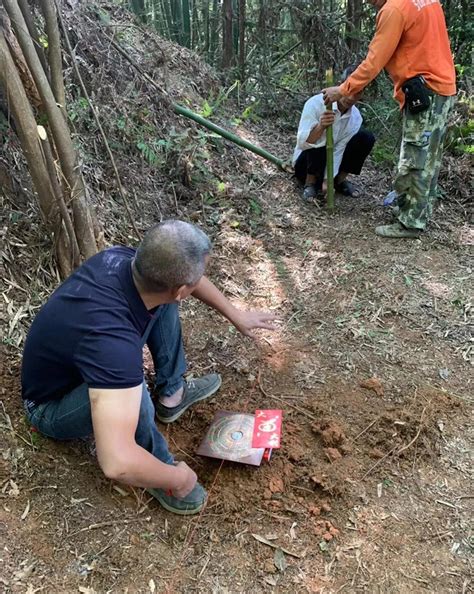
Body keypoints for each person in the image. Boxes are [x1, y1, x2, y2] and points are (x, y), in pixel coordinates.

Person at [21, 220, 277, 515]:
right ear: (182, 288)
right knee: (135, 391)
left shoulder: (124, 261)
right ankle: (159, 472)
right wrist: (179, 477)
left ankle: (173, 394)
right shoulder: (114, 346)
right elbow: (116, 462)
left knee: (162, 303)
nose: (198, 282)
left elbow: (185, 283)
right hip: (49, 406)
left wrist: (237, 315)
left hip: (81, 361)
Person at [323, 0, 456, 238]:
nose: (370, 3)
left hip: (425, 89)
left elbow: (374, 61)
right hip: (441, 87)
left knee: (415, 157)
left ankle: (410, 223)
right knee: (429, 158)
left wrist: (344, 89)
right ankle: (414, 211)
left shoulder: (394, 9)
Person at [293, 66, 375, 201]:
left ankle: (339, 181)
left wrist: (328, 180)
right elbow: (302, 143)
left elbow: (339, 149)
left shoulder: (355, 118)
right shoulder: (316, 103)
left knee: (365, 138)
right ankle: (310, 183)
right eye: (348, 89)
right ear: (341, 85)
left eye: (357, 92)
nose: (350, 97)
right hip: (306, 165)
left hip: (330, 166)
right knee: (322, 140)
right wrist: (321, 127)